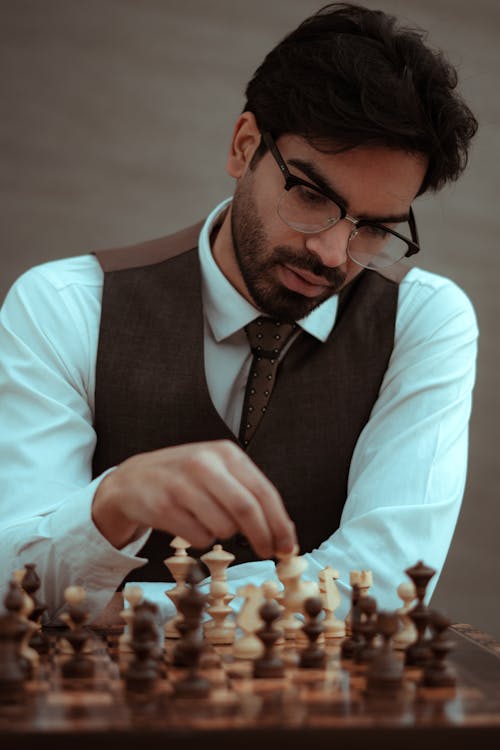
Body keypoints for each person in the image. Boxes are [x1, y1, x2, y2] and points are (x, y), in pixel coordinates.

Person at [0, 3, 478, 623]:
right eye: (311, 196)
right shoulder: (64, 305)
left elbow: (386, 586)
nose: (331, 253)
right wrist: (110, 505)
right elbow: (13, 587)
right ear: (244, 145)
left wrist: (120, 609)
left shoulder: (423, 321)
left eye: (374, 229)